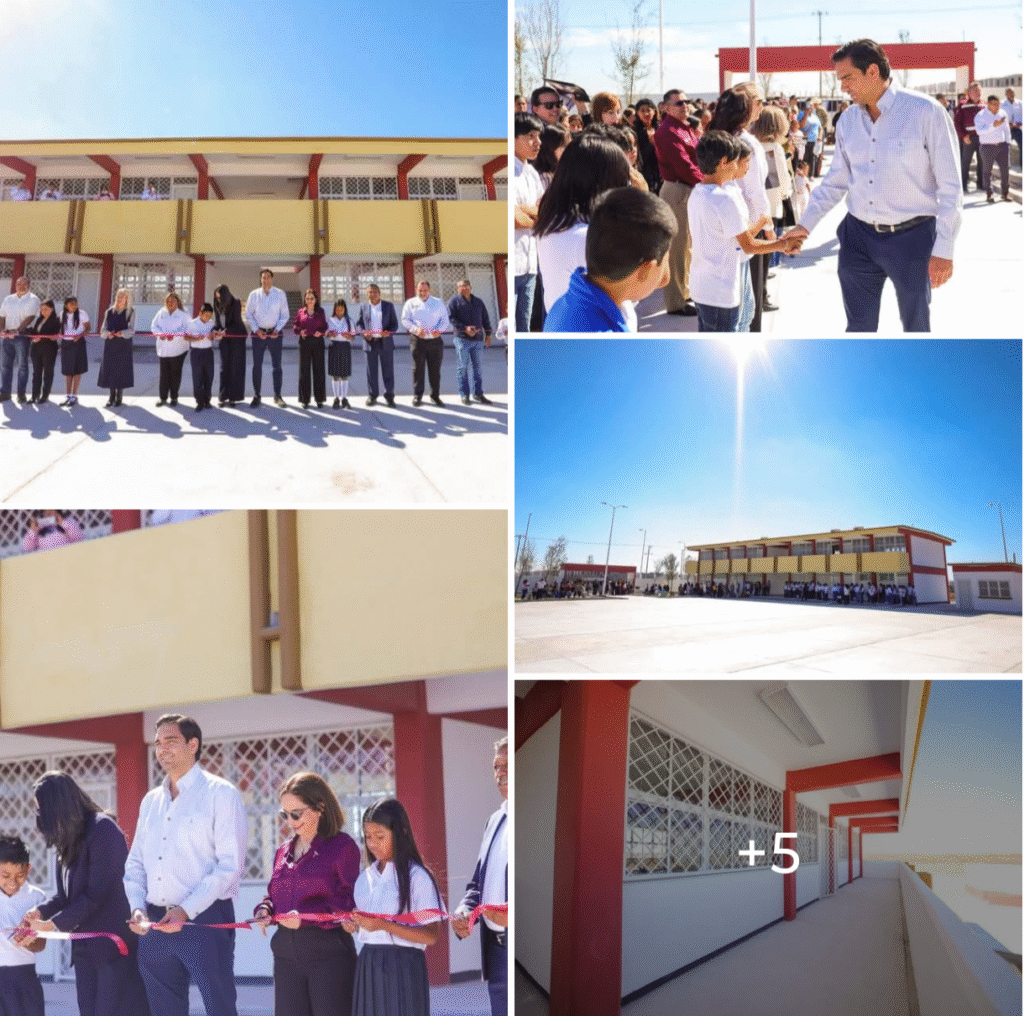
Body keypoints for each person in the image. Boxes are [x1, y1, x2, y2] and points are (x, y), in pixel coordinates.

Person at [783, 39, 961, 333]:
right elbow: (835, 181)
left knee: (916, 326)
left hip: (913, 238)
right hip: (858, 238)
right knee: (858, 326)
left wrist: (945, 247)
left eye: (847, 77)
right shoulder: (848, 121)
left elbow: (951, 186)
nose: (842, 87)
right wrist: (804, 225)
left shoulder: (925, 112)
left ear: (872, 71)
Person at [125, 713, 248, 1016]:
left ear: (193, 745)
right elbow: (136, 863)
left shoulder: (221, 794)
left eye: (171, 741)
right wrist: (137, 906)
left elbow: (229, 865)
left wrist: (185, 910)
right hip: (154, 923)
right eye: (158, 743)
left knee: (219, 1007)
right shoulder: (150, 801)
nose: (162, 749)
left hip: (204, 920)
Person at [24, 772, 150, 1016]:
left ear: (58, 805)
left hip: (114, 951)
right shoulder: (68, 839)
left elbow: (95, 894)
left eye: (41, 809)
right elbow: (64, 897)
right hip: (85, 953)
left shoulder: (103, 829)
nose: (39, 816)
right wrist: (39, 912)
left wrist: (51, 925)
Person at [252, 772, 360, 1016]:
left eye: (296, 813)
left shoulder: (342, 847)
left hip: (328, 956)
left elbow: (348, 900)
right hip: (286, 958)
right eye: (284, 814)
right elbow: (273, 893)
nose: (290, 821)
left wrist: (305, 916)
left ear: (320, 807)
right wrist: (264, 910)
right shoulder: (282, 851)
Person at [341, 799, 445, 1016]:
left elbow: (431, 935)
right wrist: (356, 926)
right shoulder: (364, 879)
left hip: (405, 966)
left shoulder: (418, 877)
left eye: (380, 836)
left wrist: (383, 925)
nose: (372, 843)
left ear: (400, 833)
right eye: (368, 837)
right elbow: (368, 928)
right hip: (369, 965)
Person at [688, 132, 798, 332]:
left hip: (702, 287)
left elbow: (730, 238)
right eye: (738, 160)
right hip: (721, 292)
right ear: (724, 162)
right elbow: (748, 244)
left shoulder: (697, 192)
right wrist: (784, 244)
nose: (743, 165)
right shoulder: (724, 199)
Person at [544, 186, 676, 332]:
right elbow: (665, 279)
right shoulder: (610, 342)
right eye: (666, 259)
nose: (665, 277)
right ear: (645, 270)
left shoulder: (563, 304)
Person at [534, 133, 631, 314]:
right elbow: (632, 292)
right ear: (601, 183)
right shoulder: (585, 239)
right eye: (621, 180)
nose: (626, 187)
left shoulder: (554, 226)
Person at [709, 83, 775, 328]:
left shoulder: (716, 136)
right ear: (744, 109)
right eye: (758, 103)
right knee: (745, 308)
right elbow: (755, 190)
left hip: (722, 221)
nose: (761, 108)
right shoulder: (745, 142)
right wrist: (766, 226)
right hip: (746, 223)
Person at [452, 738, 509, 1016]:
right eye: (497, 766)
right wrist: (465, 911)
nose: (501, 773)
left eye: (509, 766)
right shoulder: (495, 821)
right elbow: (477, 884)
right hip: (495, 952)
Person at [654, 89, 702, 316]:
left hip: (688, 188)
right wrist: (708, 182)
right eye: (679, 102)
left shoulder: (685, 128)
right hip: (678, 190)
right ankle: (675, 302)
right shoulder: (668, 131)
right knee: (677, 249)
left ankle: (685, 291)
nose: (684, 105)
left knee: (687, 247)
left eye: (687, 101)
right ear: (666, 107)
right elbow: (684, 166)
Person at [0, 836, 46, 1016]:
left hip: (25, 978)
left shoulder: (36, 898)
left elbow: (41, 945)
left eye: (19, 876)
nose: (12, 882)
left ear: (28, 869)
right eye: (5, 875)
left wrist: (27, 940)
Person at [513, 113, 544, 331]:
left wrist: (526, 212)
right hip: (514, 265)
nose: (538, 143)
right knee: (512, 331)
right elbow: (514, 219)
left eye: (539, 136)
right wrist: (525, 214)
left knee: (524, 327)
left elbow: (545, 212)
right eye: (531, 136)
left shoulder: (532, 172)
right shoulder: (511, 172)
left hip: (531, 266)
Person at [401, 280, 451, 407]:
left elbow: (445, 320)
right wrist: (415, 330)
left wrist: (439, 330)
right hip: (418, 340)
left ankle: (435, 396)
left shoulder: (438, 302)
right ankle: (418, 396)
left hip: (435, 341)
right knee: (418, 369)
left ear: (429, 290)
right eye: (420, 290)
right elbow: (405, 319)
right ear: (416, 290)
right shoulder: (410, 303)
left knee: (435, 370)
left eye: (425, 290)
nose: (423, 292)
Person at [244, 268, 290, 408]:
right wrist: (256, 330)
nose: (265, 280)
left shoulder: (280, 294)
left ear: (272, 279)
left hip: (275, 335)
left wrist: (277, 329)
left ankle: (278, 396)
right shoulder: (254, 294)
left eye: (268, 277)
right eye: (263, 278)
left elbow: (285, 315)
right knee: (257, 366)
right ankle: (257, 396)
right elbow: (249, 314)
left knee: (277, 366)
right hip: (258, 336)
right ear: (260, 279)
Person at [447, 279, 493, 405]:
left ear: (470, 287)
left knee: (477, 368)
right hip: (462, 339)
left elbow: (485, 318)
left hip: (477, 340)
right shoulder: (454, 301)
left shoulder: (478, 302)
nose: (465, 288)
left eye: (467, 286)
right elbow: (451, 318)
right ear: (457, 289)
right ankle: (464, 395)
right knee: (463, 367)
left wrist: (488, 333)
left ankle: (478, 394)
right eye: (461, 286)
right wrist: (465, 328)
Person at [355, 284, 398, 407]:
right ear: (367, 294)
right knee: (371, 371)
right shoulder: (363, 306)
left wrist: (388, 332)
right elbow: (359, 324)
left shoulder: (388, 306)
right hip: (370, 343)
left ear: (379, 293)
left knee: (388, 371)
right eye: (370, 292)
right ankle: (372, 395)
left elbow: (394, 325)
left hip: (385, 343)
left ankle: (389, 396)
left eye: (375, 292)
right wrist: (363, 333)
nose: (372, 294)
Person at [0, 276, 41, 403]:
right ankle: (5, 393)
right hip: (7, 336)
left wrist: (17, 331)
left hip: (22, 335)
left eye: (24, 284)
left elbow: (30, 317)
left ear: (29, 285)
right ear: (15, 285)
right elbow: (2, 316)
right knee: (5, 366)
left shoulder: (33, 299)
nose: (21, 287)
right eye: (18, 284)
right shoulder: (8, 299)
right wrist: (2, 330)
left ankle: (21, 394)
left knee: (22, 366)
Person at [150, 293, 191, 407]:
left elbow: (187, 328)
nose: (170, 303)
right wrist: (160, 334)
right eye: (168, 301)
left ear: (177, 302)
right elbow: (154, 326)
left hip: (178, 349)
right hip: (163, 349)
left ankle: (174, 397)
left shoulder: (183, 314)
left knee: (175, 374)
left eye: (173, 301)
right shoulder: (161, 313)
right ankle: (163, 398)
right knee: (164, 374)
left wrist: (174, 335)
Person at [98, 288, 135, 407]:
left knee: (121, 370)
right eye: (118, 296)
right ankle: (111, 396)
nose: (119, 299)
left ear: (127, 299)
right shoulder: (109, 312)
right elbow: (103, 329)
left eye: (122, 297)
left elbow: (132, 330)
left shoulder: (130, 312)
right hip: (111, 345)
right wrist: (107, 334)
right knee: (110, 370)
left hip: (123, 345)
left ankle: (119, 397)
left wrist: (122, 333)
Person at [293, 288, 328, 409]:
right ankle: (305, 399)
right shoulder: (300, 311)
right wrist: (299, 331)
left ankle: (319, 399)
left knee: (319, 371)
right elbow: (295, 326)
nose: (309, 301)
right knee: (304, 372)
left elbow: (325, 326)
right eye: (307, 298)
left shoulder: (321, 311)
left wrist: (321, 332)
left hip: (318, 342)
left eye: (311, 298)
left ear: (316, 299)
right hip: (304, 343)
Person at [213, 284, 246, 408]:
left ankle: (233, 397)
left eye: (219, 296)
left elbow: (237, 323)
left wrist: (225, 332)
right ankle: (222, 396)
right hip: (224, 339)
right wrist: (215, 331)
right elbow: (217, 322)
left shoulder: (235, 303)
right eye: (216, 297)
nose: (217, 299)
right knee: (223, 367)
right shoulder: (216, 304)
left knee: (234, 368)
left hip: (237, 338)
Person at [975, 96, 1012, 203]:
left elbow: (1006, 129)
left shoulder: (1002, 113)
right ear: (988, 104)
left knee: (1005, 171)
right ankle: (989, 194)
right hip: (987, 147)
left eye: (998, 104)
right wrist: (993, 126)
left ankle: (1005, 194)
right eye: (994, 104)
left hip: (1002, 146)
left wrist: (1008, 143)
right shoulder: (981, 115)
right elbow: (979, 131)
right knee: (987, 171)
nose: (996, 106)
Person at [26, 300, 61, 403]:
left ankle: (45, 395)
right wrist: (33, 338)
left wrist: (54, 337)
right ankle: (34, 395)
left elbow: (56, 334)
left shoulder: (56, 320)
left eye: (46, 309)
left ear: (52, 309)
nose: (43, 312)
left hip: (49, 350)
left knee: (48, 373)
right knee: (36, 373)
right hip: (36, 349)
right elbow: (34, 332)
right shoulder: (39, 319)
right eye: (41, 310)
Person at [58, 296, 89, 407]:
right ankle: (68, 395)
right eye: (71, 304)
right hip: (66, 344)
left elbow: (88, 328)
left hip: (78, 343)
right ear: (66, 305)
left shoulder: (82, 314)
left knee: (77, 370)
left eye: (75, 303)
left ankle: (74, 395)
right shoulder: (62, 314)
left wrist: (79, 336)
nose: (74, 306)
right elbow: (61, 328)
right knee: (68, 371)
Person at [953, 83, 985, 193]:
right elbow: (957, 123)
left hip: (982, 139)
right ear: (970, 93)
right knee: (965, 163)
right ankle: (962, 186)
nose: (978, 93)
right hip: (968, 139)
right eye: (975, 91)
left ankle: (981, 185)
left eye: (979, 90)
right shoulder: (962, 105)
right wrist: (963, 136)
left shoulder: (984, 105)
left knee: (982, 163)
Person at [185, 303, 216, 411]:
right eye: (206, 315)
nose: (208, 318)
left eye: (210, 315)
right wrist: (196, 338)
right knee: (197, 378)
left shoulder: (212, 323)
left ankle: (207, 400)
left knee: (209, 376)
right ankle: (199, 402)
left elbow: (213, 338)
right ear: (200, 313)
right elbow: (186, 337)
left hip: (208, 352)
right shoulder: (192, 323)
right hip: (196, 353)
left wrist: (212, 336)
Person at [326, 298, 356, 409]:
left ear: (345, 310)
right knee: (335, 375)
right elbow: (326, 334)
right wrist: (330, 335)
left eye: (341, 309)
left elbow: (353, 337)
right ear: (334, 310)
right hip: (334, 346)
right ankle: (336, 398)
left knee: (344, 374)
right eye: (337, 309)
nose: (339, 312)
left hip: (344, 347)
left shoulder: (349, 321)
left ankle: (344, 398)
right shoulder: (330, 320)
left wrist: (349, 336)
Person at [1002, 87, 1022, 154]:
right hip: (1006, 129)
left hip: (1017, 129)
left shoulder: (1020, 103)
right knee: (1005, 148)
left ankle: (1021, 163)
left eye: (1013, 93)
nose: (1011, 94)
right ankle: (1006, 164)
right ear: (1006, 94)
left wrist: (1020, 123)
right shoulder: (1002, 104)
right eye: (1009, 93)